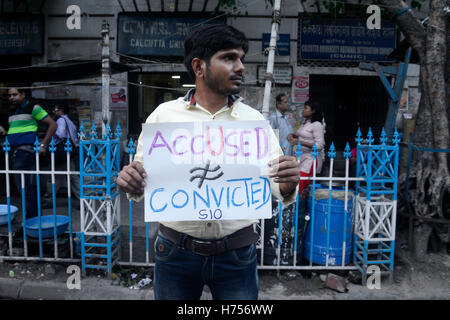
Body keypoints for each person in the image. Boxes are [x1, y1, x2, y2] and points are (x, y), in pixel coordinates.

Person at [117, 24, 300, 300]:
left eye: (241, 59)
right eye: (229, 58)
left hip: (236, 254)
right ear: (199, 67)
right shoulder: (163, 117)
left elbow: (277, 187)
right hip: (175, 253)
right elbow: (143, 181)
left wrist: (287, 183)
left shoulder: (254, 123)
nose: (240, 67)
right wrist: (131, 181)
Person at [7, 85, 57, 219]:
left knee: (25, 186)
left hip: (25, 152)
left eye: (14, 94)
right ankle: (32, 216)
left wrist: (44, 145)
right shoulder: (13, 111)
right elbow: (16, 132)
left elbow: (53, 124)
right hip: (14, 151)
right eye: (10, 95)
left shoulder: (34, 108)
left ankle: (33, 217)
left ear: (23, 94)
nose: (11, 98)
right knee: (22, 186)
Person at [43, 105, 80, 208]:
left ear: (62, 110)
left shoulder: (60, 120)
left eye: (57, 109)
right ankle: (82, 198)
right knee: (73, 177)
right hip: (68, 152)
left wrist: (51, 131)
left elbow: (61, 134)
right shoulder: (70, 121)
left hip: (60, 152)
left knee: (54, 177)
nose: (55, 111)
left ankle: (49, 200)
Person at [287, 100, 325, 196]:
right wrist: (293, 136)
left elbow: (319, 145)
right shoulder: (306, 123)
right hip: (301, 158)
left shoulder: (317, 125)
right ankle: (300, 208)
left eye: (306, 108)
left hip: (310, 159)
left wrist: (299, 142)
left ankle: (299, 209)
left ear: (313, 111)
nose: (303, 110)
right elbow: (304, 136)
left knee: (300, 188)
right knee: (300, 187)